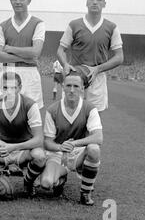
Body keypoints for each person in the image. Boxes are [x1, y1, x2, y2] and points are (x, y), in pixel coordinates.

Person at [0, 0, 46, 177]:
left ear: (29, 0)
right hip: (8, 72)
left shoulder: (38, 23)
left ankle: (25, 160)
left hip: (30, 74)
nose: (17, 1)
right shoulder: (3, 25)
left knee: (30, 118)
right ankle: (8, 160)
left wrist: (9, 48)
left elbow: (36, 53)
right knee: (7, 117)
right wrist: (24, 51)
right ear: (10, 1)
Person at [57, 0, 124, 112]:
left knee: (94, 123)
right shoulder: (74, 25)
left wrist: (98, 68)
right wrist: (65, 64)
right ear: (86, 2)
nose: (95, 1)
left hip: (97, 79)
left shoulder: (112, 27)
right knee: (70, 121)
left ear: (104, 4)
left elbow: (119, 57)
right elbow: (60, 50)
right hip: (74, 78)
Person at [40, 71, 103, 205]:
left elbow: (98, 137)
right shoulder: (52, 110)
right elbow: (47, 143)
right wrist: (61, 147)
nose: (72, 90)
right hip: (58, 154)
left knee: (94, 149)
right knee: (46, 184)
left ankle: (85, 193)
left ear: (82, 88)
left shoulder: (90, 108)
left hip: (79, 154)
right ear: (63, 86)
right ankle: (61, 179)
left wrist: (75, 144)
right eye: (68, 85)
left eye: (76, 86)